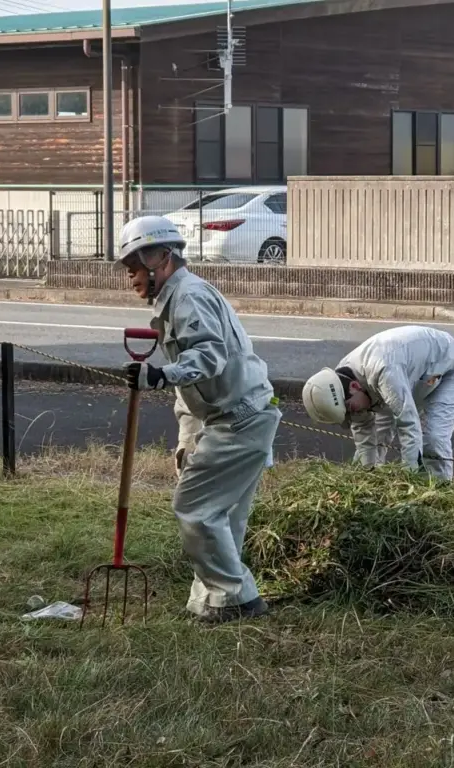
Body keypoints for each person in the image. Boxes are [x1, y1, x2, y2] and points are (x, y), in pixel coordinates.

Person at [117, 214, 281, 624]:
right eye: (128, 269)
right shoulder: (177, 300)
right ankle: (211, 601)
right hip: (240, 415)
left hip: (239, 419)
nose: (132, 278)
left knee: (194, 508)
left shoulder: (188, 296)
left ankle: (237, 598)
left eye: (136, 267)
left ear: (163, 259)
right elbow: (193, 392)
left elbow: (209, 357)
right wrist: (187, 439)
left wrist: (159, 374)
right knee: (221, 517)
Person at [301, 325, 454, 481]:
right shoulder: (341, 380)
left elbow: (408, 423)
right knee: (379, 436)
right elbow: (363, 430)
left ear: (355, 386)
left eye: (351, 410)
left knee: (434, 438)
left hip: (451, 368)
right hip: (411, 376)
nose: (353, 415)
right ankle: (369, 480)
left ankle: (440, 490)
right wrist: (366, 475)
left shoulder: (383, 370)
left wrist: (409, 477)